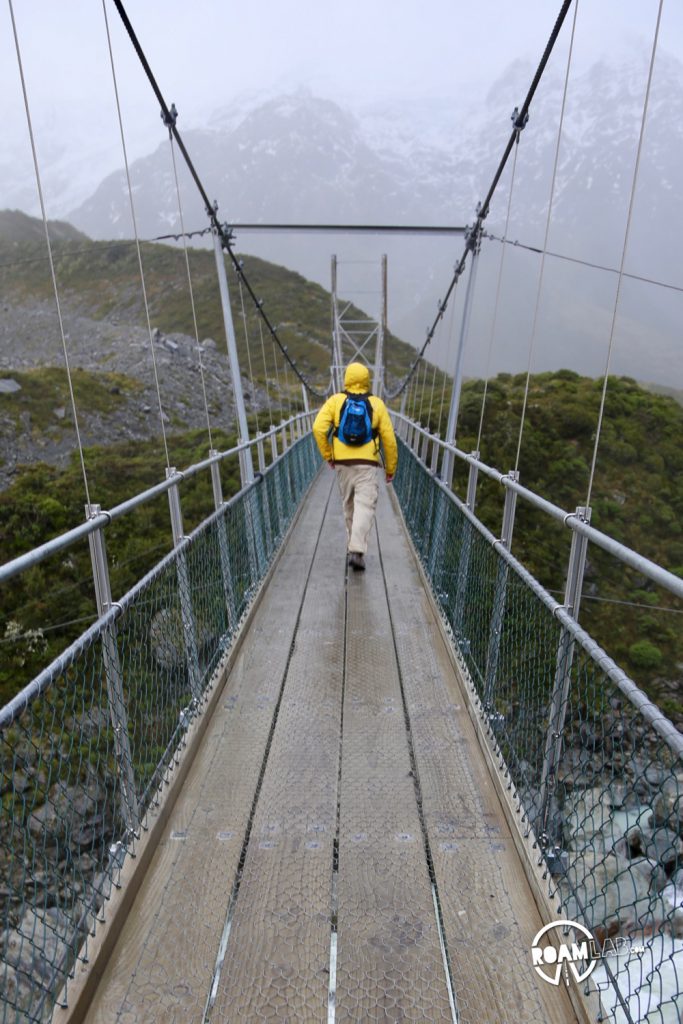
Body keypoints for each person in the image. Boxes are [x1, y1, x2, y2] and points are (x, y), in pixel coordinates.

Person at [312, 362, 398, 571]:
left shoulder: (335, 401)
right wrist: (390, 469)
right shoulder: (376, 403)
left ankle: (353, 547)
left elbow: (318, 428)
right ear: (367, 379)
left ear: (346, 379)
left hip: (342, 463)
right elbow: (389, 440)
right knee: (365, 506)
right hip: (367, 463)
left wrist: (328, 456)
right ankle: (357, 550)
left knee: (349, 505)